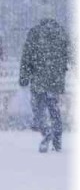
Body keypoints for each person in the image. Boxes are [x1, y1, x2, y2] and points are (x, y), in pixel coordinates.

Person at [18, 17, 69, 153]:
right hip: (55, 81)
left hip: (38, 80)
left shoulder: (35, 33)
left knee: (38, 110)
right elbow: (68, 56)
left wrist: (24, 77)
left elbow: (26, 57)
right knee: (54, 109)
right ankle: (57, 140)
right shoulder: (61, 33)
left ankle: (46, 131)